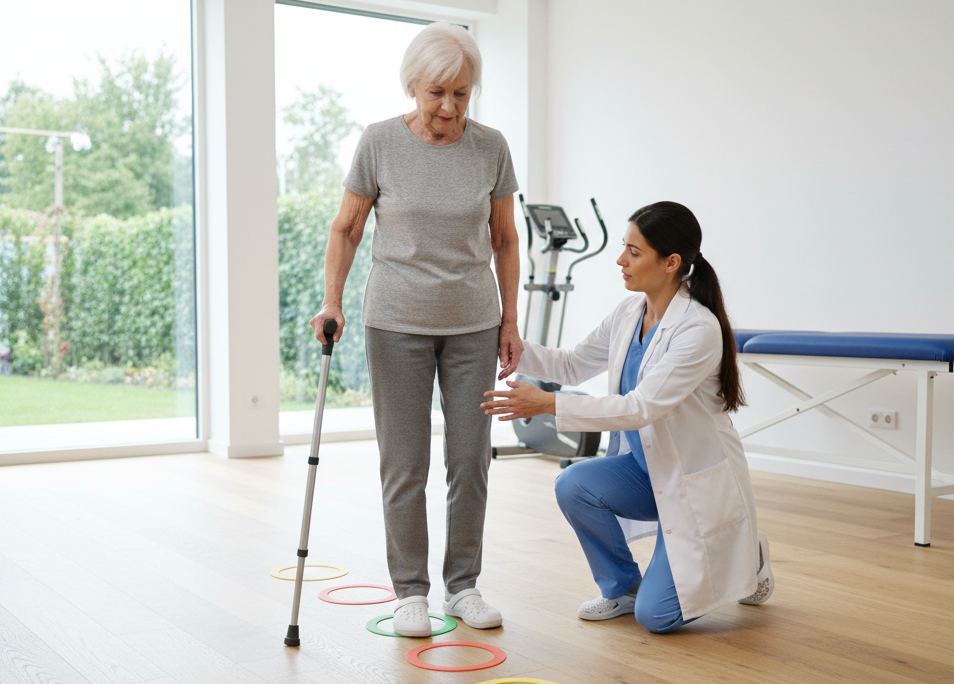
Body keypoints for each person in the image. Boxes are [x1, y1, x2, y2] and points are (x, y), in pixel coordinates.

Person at [310, 22, 522, 638]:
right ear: (412, 87)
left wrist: (510, 318)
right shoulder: (379, 142)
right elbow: (346, 228)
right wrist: (333, 302)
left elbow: (505, 239)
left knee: (471, 460)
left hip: (474, 324)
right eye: (437, 94)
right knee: (405, 463)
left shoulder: (491, 147)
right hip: (396, 321)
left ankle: (464, 587)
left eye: (462, 94)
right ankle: (409, 592)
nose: (449, 108)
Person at [482, 202, 773, 634]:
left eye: (633, 252)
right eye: (624, 248)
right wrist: (508, 342)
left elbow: (640, 408)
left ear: (671, 263)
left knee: (657, 619)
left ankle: (751, 556)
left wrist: (548, 405)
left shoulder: (698, 330)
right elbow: (572, 364)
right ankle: (622, 586)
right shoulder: (628, 313)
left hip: (690, 482)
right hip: (644, 472)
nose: (621, 260)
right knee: (573, 484)